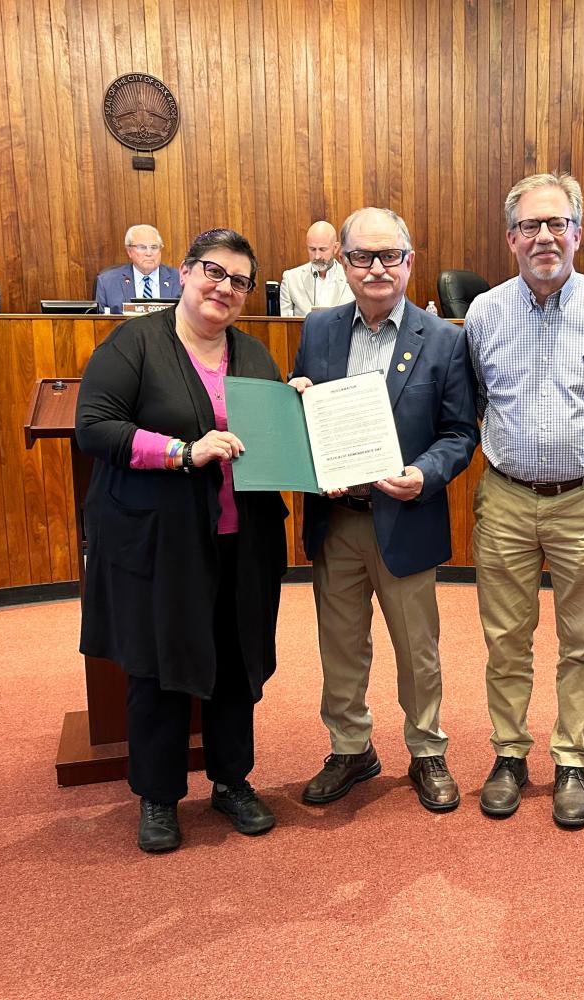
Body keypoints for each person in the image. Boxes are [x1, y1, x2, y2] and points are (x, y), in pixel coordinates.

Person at [76, 228, 290, 853]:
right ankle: (159, 796)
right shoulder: (135, 344)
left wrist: (293, 410)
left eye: (240, 281)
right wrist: (179, 452)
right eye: (214, 272)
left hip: (239, 540)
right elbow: (95, 427)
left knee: (235, 662)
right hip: (161, 544)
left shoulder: (254, 356)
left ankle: (231, 783)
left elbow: (273, 440)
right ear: (186, 272)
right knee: (160, 667)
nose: (224, 288)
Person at [464, 173, 584, 829]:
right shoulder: (485, 313)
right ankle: (510, 756)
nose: (543, 237)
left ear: (577, 233)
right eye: (529, 226)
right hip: (508, 501)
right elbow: (477, 402)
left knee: (583, 642)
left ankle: (571, 759)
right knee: (506, 641)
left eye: (556, 224)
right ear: (511, 238)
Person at [289, 207, 477, 813]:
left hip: (405, 518)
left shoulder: (445, 338)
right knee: (340, 644)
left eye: (389, 256)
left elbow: (459, 433)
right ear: (342, 262)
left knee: (416, 647)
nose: (376, 268)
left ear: (409, 261)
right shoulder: (318, 330)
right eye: (363, 257)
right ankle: (351, 748)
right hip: (337, 520)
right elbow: (306, 416)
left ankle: (426, 750)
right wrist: (297, 403)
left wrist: (425, 474)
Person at [92, 224, 182, 313]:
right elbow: (101, 324)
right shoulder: (107, 282)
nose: (149, 253)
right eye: (142, 247)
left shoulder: (180, 279)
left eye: (154, 247)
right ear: (129, 251)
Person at [279, 220, 355, 316]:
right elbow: (284, 324)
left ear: (335, 248)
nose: (317, 256)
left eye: (322, 249)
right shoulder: (291, 279)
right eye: (312, 249)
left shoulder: (351, 276)